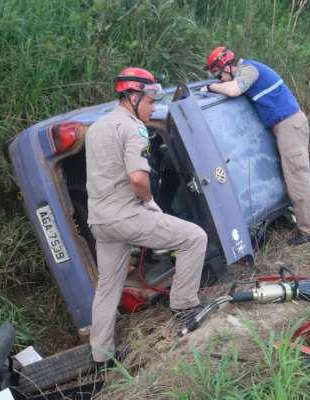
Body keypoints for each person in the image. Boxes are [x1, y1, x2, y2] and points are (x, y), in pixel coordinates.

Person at [85, 67, 208, 370]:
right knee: (194, 237)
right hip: (126, 216)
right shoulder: (134, 129)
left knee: (108, 287)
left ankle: (101, 357)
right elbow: (138, 178)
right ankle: (184, 306)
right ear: (132, 95)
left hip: (100, 221)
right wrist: (150, 201)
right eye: (151, 100)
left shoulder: (97, 126)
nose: (153, 107)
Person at [201, 46, 310, 245]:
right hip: (287, 125)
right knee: (300, 173)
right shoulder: (246, 71)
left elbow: (233, 90)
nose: (221, 80)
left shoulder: (249, 69)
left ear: (227, 67)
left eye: (219, 75)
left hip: (289, 125)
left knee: (297, 177)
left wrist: (210, 87)